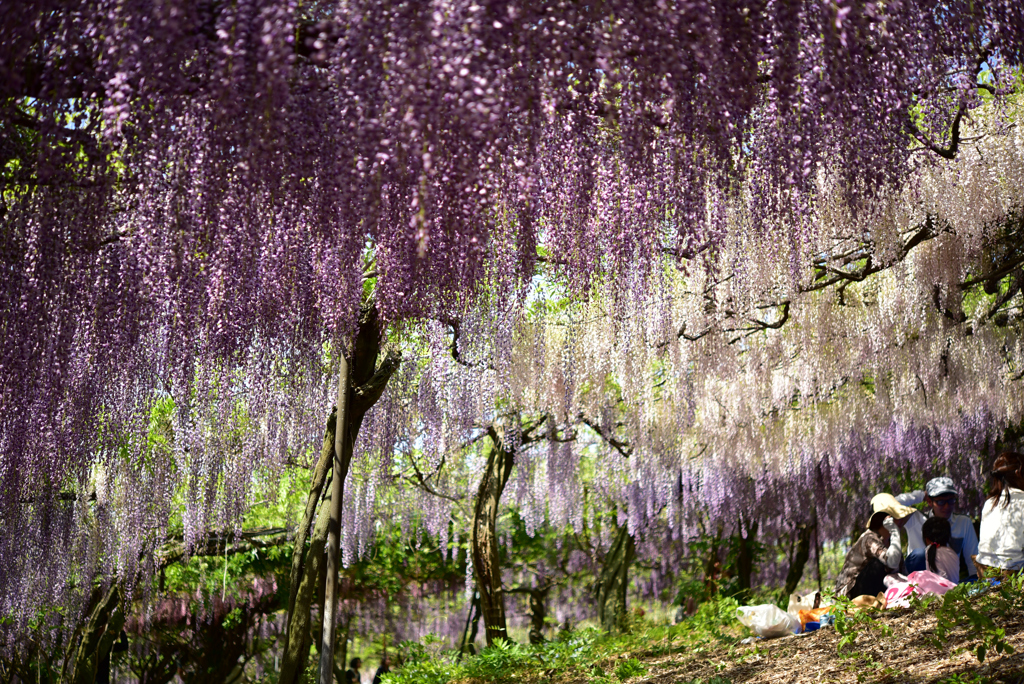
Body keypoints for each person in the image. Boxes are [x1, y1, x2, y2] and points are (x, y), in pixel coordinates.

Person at [896, 477, 979, 580]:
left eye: (951, 500)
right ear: (929, 502)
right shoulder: (916, 519)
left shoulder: (963, 522)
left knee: (975, 580)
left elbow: (974, 559)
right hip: (920, 582)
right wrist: (921, 495)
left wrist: (978, 581)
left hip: (948, 583)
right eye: (941, 502)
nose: (947, 506)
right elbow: (892, 504)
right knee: (920, 554)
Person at [835, 509, 906, 599]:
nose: (901, 521)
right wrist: (895, 531)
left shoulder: (892, 542)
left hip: (873, 588)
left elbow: (902, 570)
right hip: (851, 593)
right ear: (887, 520)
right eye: (897, 518)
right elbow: (892, 562)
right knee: (877, 564)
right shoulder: (869, 538)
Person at [974, 452, 1024, 575]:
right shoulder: (1022, 500)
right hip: (1012, 573)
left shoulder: (989, 502)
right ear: (1018, 473)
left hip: (984, 571)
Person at [921, 516, 959, 583]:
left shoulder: (930, 550)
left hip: (943, 591)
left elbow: (940, 580)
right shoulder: (952, 552)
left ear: (927, 539)